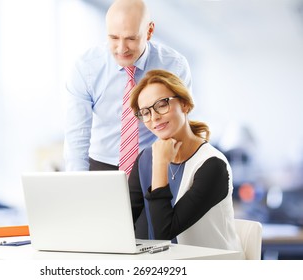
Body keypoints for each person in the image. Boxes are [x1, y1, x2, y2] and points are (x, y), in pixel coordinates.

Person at [64, 0, 192, 172]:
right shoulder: (87, 68)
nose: (121, 48)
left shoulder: (174, 66)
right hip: (101, 163)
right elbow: (76, 136)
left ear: (149, 31)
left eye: (131, 38)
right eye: (114, 38)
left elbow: (181, 127)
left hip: (155, 162)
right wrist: (76, 183)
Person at [128, 69, 244, 255]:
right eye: (145, 112)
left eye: (161, 104)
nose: (154, 117)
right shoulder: (144, 159)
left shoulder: (212, 165)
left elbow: (163, 234)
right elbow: (124, 220)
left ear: (185, 105)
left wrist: (160, 164)